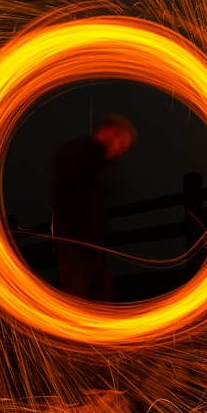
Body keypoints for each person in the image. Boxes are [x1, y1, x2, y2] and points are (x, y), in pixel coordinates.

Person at [52, 114, 137, 301]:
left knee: (101, 304)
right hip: (75, 246)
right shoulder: (79, 152)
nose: (119, 152)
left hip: (94, 247)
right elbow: (75, 194)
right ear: (109, 131)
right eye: (121, 144)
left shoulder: (91, 161)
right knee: (77, 303)